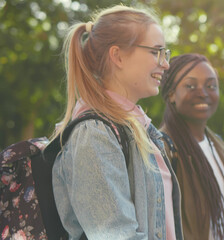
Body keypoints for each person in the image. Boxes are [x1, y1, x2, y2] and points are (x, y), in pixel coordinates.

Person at [51, 5, 183, 240]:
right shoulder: (94, 134)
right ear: (117, 56)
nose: (166, 64)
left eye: (165, 53)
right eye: (155, 52)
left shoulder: (138, 129)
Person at [159, 53, 224, 240]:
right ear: (171, 94)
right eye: (190, 85)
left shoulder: (217, 147)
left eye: (211, 86)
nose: (203, 92)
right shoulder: (162, 150)